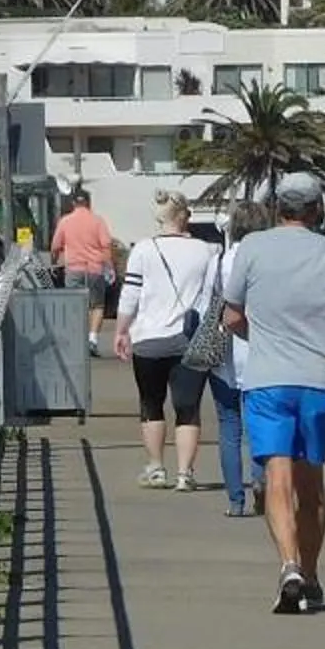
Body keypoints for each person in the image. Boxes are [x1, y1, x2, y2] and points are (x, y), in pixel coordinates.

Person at [220, 172, 325, 614]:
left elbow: (231, 315)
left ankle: (288, 564)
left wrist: (260, 337)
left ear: (278, 208)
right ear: (316, 211)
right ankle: (310, 573)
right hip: (318, 379)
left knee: (277, 475)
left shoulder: (252, 248)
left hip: (267, 378)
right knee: (312, 484)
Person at [112, 193, 220, 492]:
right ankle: (185, 473)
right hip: (191, 340)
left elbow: (130, 295)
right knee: (188, 409)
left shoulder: (144, 250)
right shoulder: (208, 250)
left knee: (151, 404)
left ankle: (156, 467)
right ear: (186, 216)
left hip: (148, 339)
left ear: (160, 218)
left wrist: (122, 331)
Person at [185, 219, 247, 517]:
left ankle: (236, 498)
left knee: (229, 426)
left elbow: (202, 304)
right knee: (261, 427)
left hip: (224, 352)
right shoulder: (265, 259)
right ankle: (261, 483)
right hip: (262, 353)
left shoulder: (219, 260)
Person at [50, 190, 116, 350]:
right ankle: (92, 339)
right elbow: (106, 246)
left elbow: (55, 246)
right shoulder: (98, 221)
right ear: (88, 202)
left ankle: (76, 339)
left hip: (73, 268)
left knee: (74, 305)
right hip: (95, 268)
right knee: (97, 306)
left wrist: (54, 262)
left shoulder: (65, 221)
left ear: (73, 203)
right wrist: (110, 267)